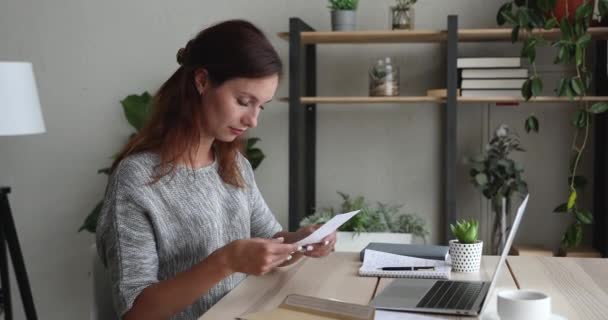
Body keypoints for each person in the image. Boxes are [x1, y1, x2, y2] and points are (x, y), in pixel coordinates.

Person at [96, 19, 337, 320]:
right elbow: (135, 312)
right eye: (243, 101)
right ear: (202, 81)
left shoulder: (234, 165)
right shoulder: (136, 179)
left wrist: (300, 241)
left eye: (260, 106)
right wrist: (226, 261)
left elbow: (270, 242)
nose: (253, 120)